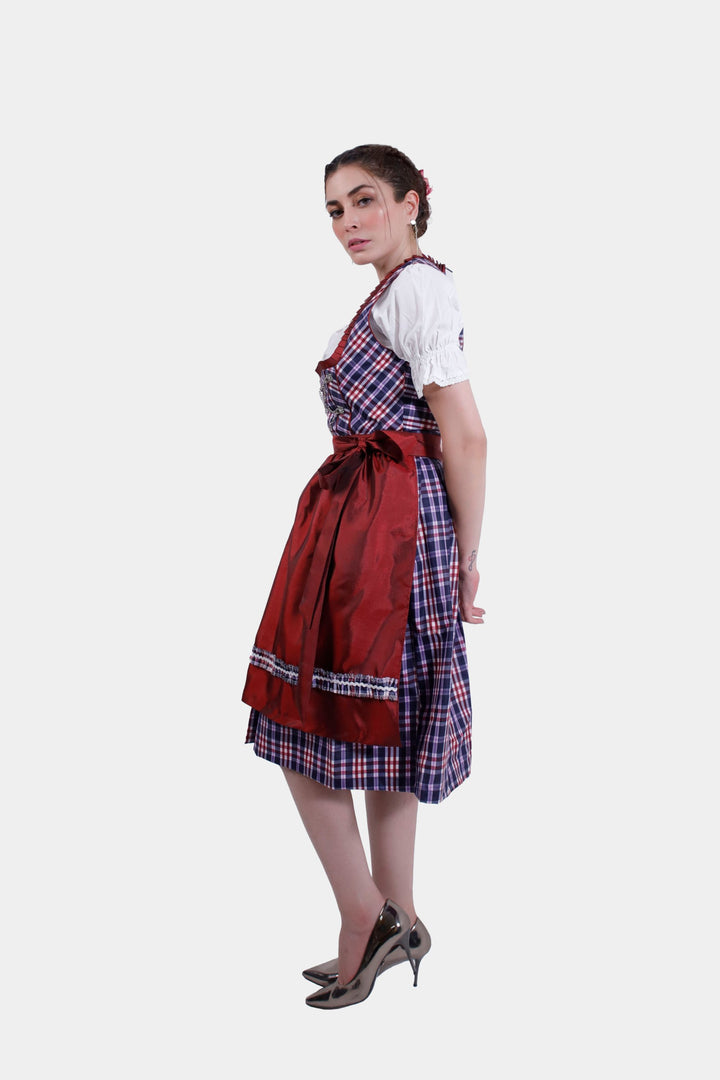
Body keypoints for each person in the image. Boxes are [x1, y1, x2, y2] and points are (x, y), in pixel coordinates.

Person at [242, 144, 487, 1009]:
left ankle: (363, 916)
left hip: (388, 528)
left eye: (367, 201)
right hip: (364, 517)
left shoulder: (418, 287)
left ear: (414, 203)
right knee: (376, 728)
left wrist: (464, 560)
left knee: (309, 716)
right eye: (336, 210)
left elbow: (466, 433)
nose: (349, 223)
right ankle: (402, 917)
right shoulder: (392, 292)